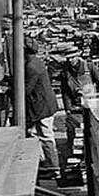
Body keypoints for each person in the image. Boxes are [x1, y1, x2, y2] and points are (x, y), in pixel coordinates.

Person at [23, 39, 61, 179]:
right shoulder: (35, 62)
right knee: (33, 133)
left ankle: (53, 167)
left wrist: (7, 89)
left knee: (46, 135)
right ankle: (43, 163)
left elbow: (26, 90)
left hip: (42, 107)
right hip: (42, 105)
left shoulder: (31, 66)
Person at [59, 47, 99, 159]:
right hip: (76, 104)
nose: (71, 60)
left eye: (73, 57)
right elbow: (65, 91)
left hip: (91, 103)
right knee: (74, 130)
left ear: (78, 56)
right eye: (68, 58)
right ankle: (75, 155)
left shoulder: (89, 67)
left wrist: (98, 98)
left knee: (92, 129)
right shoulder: (65, 72)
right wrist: (68, 108)